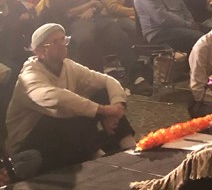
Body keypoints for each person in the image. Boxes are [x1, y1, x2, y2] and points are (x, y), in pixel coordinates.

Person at [5, 24, 135, 172]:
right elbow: (56, 99)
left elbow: (106, 80)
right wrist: (103, 111)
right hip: (28, 144)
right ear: (40, 51)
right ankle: (99, 160)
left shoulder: (68, 65)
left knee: (100, 94)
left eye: (63, 39)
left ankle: (130, 147)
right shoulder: (29, 76)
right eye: (55, 42)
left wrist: (117, 108)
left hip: (63, 135)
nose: (62, 45)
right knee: (67, 111)